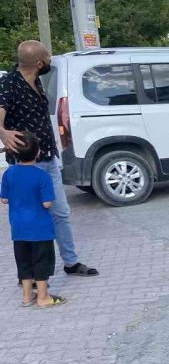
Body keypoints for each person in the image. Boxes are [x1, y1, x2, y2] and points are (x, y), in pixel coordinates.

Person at [0, 40, 98, 277]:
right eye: (48, 58)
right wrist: (3, 133)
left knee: (61, 213)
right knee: (29, 220)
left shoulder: (35, 81)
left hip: (48, 159)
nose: (50, 61)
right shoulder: (9, 85)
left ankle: (70, 262)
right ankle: (30, 275)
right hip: (26, 166)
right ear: (39, 62)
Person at [1, 132, 66, 308]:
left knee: (23, 263)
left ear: (14, 153)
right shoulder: (42, 176)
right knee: (41, 262)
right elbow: (46, 203)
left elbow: (4, 199)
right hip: (40, 229)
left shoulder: (9, 173)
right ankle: (43, 297)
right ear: (38, 153)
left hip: (19, 229)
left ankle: (26, 297)